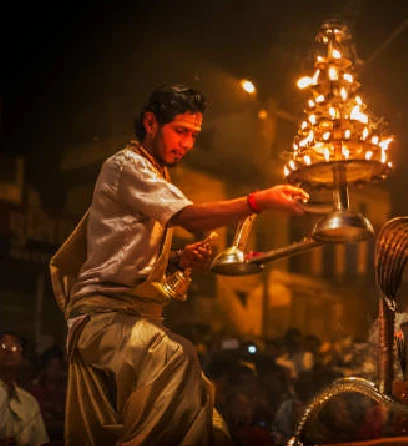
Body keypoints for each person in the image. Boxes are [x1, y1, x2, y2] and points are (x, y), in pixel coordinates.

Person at [49, 84, 309, 446]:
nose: (187, 143)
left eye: (194, 135)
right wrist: (257, 202)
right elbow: (190, 218)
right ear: (151, 122)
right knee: (177, 357)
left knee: (199, 393)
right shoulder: (126, 166)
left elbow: (124, 252)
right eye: (181, 131)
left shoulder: (156, 173)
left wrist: (179, 259)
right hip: (102, 319)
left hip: (134, 318)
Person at [0, 332, 50, 446]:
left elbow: (40, 441)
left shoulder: (29, 403)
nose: (9, 351)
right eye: (3, 346)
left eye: (14, 347)